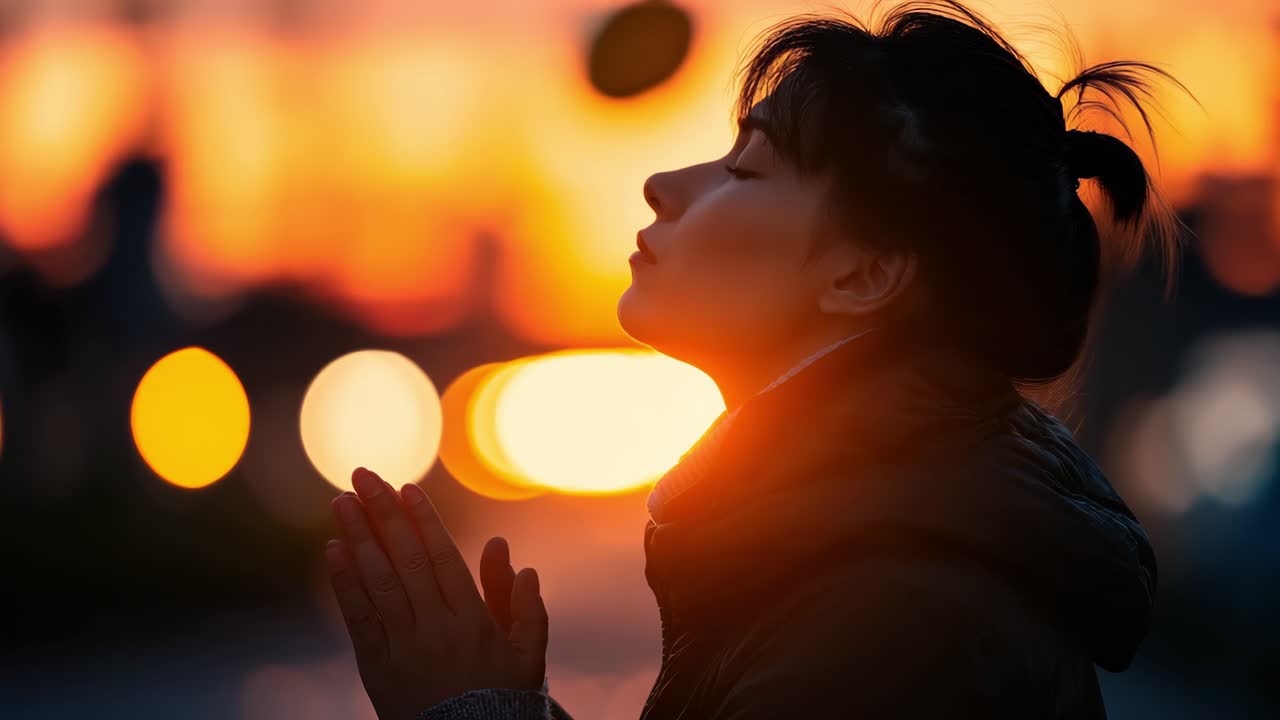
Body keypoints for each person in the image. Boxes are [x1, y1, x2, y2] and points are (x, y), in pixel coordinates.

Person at [321, 1, 1197, 717]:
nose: (662, 185)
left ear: (868, 271)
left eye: (746, 169)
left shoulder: (886, 625)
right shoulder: (884, 554)